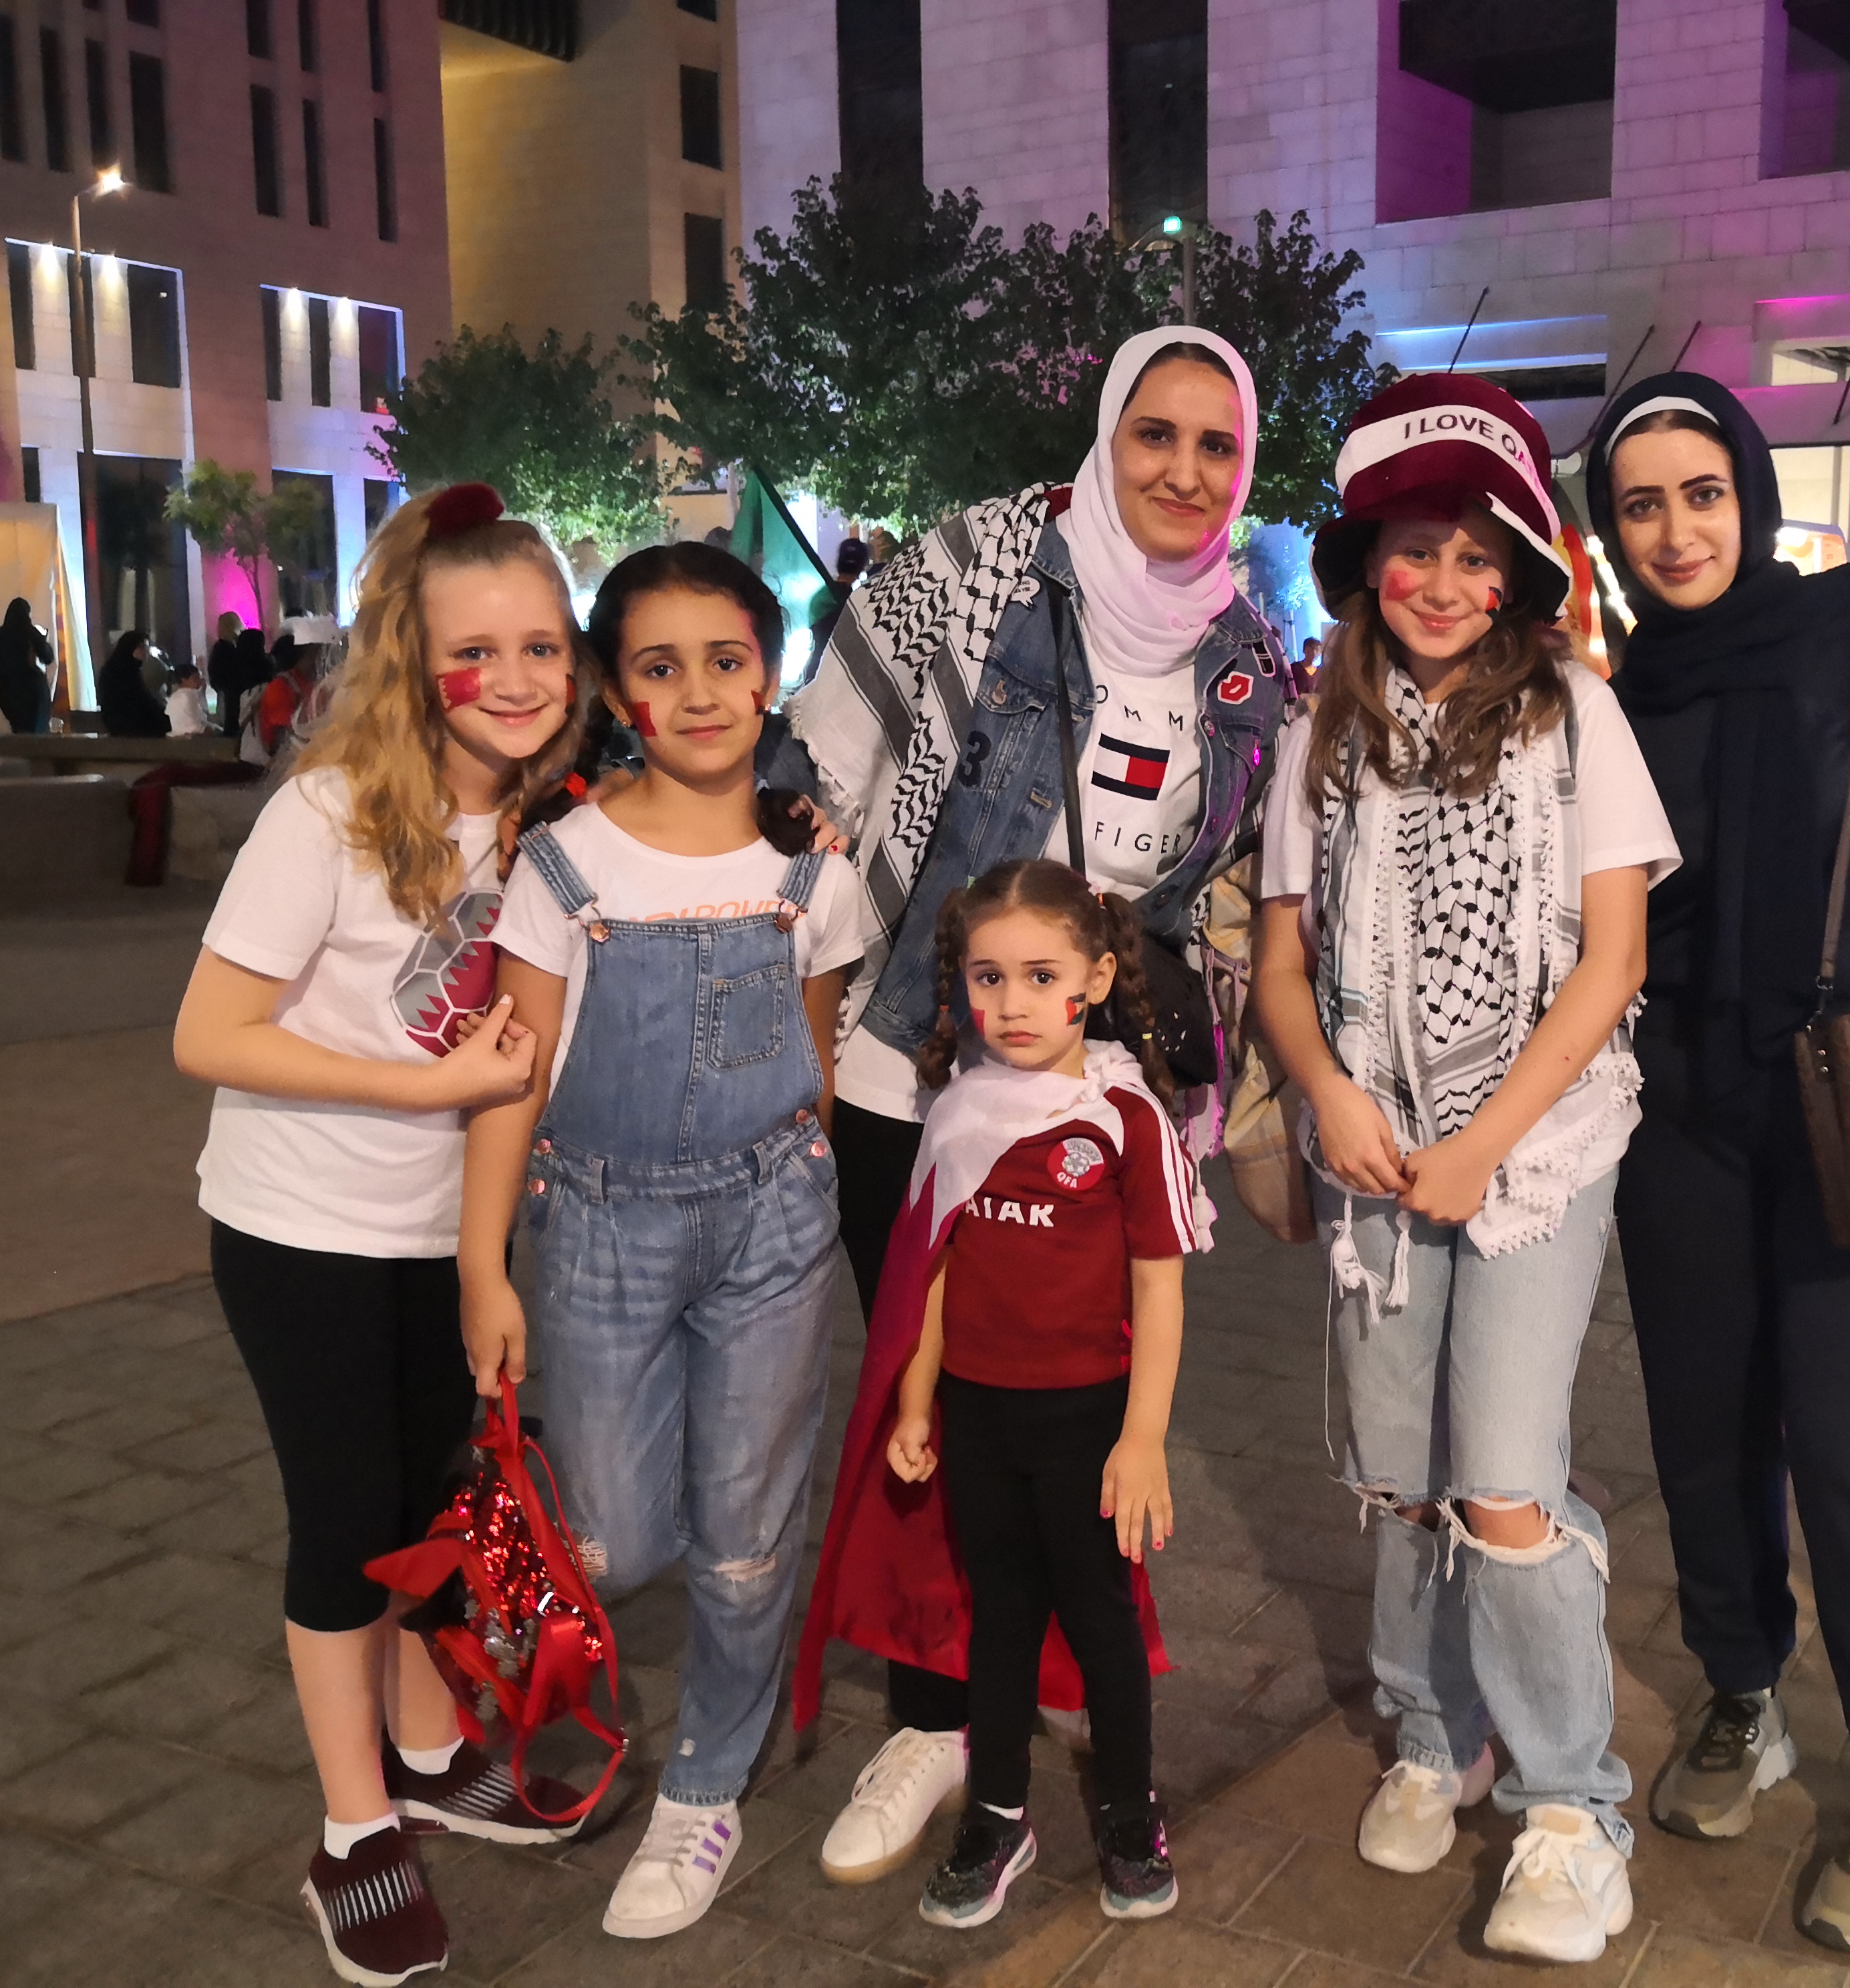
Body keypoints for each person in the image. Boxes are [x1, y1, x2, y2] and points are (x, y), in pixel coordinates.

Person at [786, 326, 1289, 1880]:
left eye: (1215, 445)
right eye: (1155, 434)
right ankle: (934, 1726)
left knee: (1078, 1409)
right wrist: (799, 1043)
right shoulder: (985, 566)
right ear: (1104, 434)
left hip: (1091, 1097)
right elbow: (826, 774)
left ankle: (1052, 1682)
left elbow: (1217, 894)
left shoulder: (1245, 661)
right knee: (927, 1413)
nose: (1182, 471)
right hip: (913, 1075)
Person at [1254, 374, 1677, 1966]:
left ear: (1515, 568)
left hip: (1533, 1162)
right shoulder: (1325, 733)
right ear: (1365, 565)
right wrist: (1323, 1097)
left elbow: (1610, 960)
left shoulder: (1575, 714)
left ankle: (1570, 1804)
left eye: (1470, 549)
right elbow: (1280, 964)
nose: (1438, 580)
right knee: (1399, 1471)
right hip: (1371, 1162)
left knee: (1501, 1477)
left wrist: (1482, 1143)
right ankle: (1435, 1732)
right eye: (1407, 549)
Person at [1581, 373, 1850, 1959]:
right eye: (1640, 503)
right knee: (1699, 1426)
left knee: (1845, 1444)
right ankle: (1741, 1693)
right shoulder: (1615, 695)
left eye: (1702, 492)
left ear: (1750, 494)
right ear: (1607, 528)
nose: (1677, 529)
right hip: (1679, 1102)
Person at [168, 483, 589, 1988]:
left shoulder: (550, 820)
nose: (521, 678)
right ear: (416, 661)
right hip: (298, 1227)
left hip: (435, 1233)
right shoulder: (329, 809)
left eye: (544, 642)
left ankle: (419, 1742)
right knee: (346, 1527)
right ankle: (353, 1832)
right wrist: (422, 1079)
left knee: (430, 1502)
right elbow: (207, 1032)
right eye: (479, 651)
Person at [458, 542, 875, 1939]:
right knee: (619, 1532)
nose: (699, 692)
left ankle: (709, 1781)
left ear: (771, 673)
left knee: (748, 1540)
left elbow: (811, 1063)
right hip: (596, 1228)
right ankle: (553, 1623)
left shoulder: (811, 871)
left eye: (727, 660)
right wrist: (483, 1269)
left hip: (771, 1223)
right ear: (616, 689)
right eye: (658, 665)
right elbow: (515, 1073)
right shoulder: (563, 864)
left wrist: (796, 1186)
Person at [881, 859, 1209, 1929]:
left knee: (1103, 1622)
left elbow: (1160, 1289)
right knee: (1003, 1618)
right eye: (987, 978)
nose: (1011, 1004)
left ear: (1099, 976)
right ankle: (997, 1811)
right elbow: (928, 1274)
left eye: (1039, 975)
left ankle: (1128, 1810)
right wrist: (918, 1405)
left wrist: (1145, 1437)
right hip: (979, 1418)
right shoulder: (955, 1112)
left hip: (1088, 1423)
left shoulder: (1123, 1119)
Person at [0, 597, 53, 733]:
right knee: (35, 733)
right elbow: (48, 657)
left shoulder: (0, 634)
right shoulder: (30, 632)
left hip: (7, 693)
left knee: (19, 730)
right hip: (32, 694)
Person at [99, 629, 172, 737]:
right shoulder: (121, 672)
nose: (146, 651)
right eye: (142, 647)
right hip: (128, 726)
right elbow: (137, 701)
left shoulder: (129, 669)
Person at [166, 657, 214, 737]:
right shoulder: (188, 695)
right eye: (195, 678)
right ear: (184, 680)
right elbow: (195, 724)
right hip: (193, 735)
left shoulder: (175, 696)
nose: (199, 680)